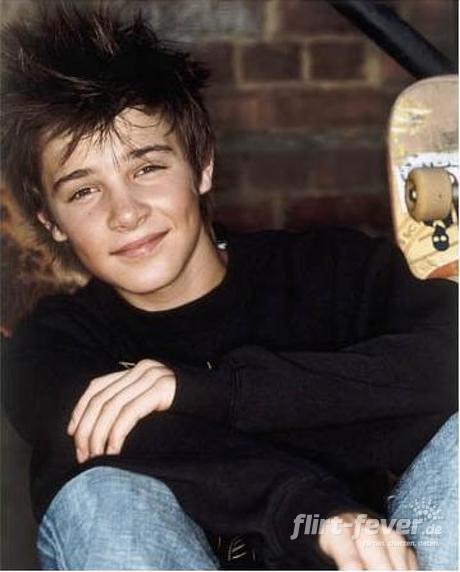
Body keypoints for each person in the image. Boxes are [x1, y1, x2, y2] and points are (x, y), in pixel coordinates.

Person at [1, 4, 457, 570]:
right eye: (83, 191)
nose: (126, 213)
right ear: (52, 222)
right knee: (101, 497)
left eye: (147, 168)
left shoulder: (329, 270)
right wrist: (312, 510)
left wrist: (213, 393)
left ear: (202, 166)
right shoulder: (52, 348)